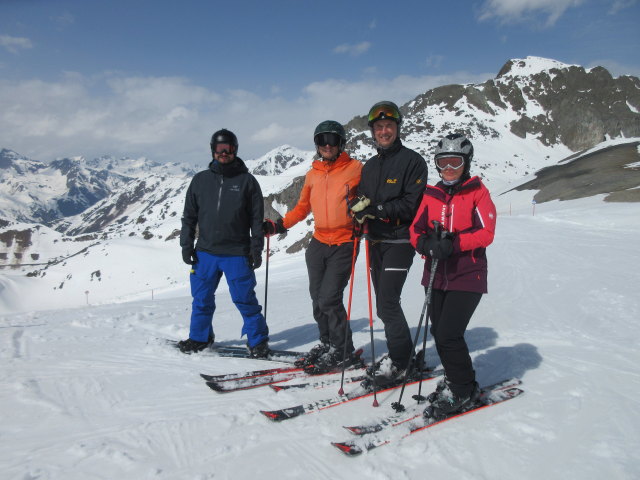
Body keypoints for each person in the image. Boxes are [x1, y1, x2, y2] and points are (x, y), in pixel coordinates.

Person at [263, 120, 363, 373]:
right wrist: (280, 225)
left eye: (332, 140)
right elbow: (302, 207)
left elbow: (371, 197)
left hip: (345, 241)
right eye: (322, 140)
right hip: (318, 242)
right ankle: (329, 343)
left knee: (330, 297)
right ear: (317, 145)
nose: (327, 145)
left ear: (341, 143)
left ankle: (343, 351)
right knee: (317, 299)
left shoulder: (356, 169)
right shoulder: (313, 173)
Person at [409, 133, 497, 417]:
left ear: (466, 163)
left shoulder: (477, 192)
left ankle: (462, 390)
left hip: (467, 274)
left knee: (448, 334)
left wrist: (454, 243)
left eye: (455, 162)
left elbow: (486, 232)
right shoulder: (430, 194)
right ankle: (456, 378)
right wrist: (425, 244)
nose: (448, 168)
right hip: (434, 274)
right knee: (439, 332)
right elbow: (415, 229)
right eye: (442, 161)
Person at [349, 101, 428, 386]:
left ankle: (402, 362)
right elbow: (365, 202)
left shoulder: (412, 161)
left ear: (397, 128)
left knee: (387, 302)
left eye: (389, 126)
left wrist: (378, 211)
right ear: (373, 131)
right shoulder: (370, 167)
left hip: (400, 240)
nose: (384, 131)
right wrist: (358, 211)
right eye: (379, 127)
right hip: (376, 241)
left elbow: (411, 204)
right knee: (383, 306)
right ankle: (403, 355)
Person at [178, 128, 269, 357]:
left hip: (237, 253)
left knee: (245, 299)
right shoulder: (200, 181)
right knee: (201, 299)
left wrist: (255, 250)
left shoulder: (247, 181)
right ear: (212, 151)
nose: (224, 153)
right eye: (219, 148)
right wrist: (186, 245)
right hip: (205, 253)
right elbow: (189, 217)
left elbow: (256, 221)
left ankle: (257, 341)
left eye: (228, 148)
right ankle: (200, 338)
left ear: (235, 150)